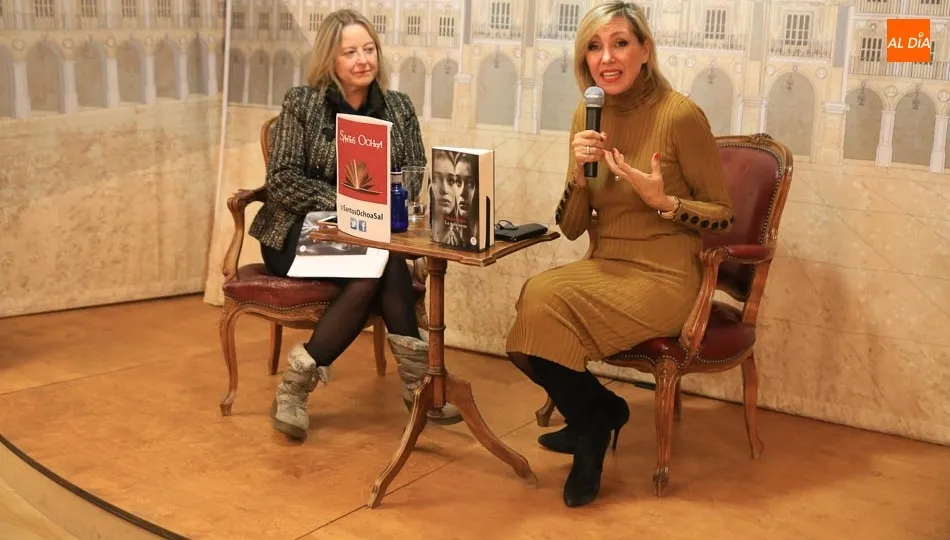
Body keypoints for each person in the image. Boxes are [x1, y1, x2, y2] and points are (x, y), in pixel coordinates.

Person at [505, 1, 734, 508]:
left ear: (645, 51)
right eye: (594, 46)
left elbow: (724, 214)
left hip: (668, 275)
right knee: (530, 313)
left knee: (541, 301)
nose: (606, 58)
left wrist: (666, 203)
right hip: (606, 264)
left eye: (620, 43)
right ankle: (596, 413)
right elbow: (568, 229)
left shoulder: (680, 115)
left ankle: (589, 432)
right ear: (583, 59)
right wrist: (576, 171)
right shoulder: (587, 115)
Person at [248, 9, 461, 442]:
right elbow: (283, 180)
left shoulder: (397, 106)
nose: (363, 60)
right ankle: (421, 387)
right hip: (294, 231)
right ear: (331, 59)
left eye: (369, 49)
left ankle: (295, 388)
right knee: (379, 266)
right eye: (350, 52)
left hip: (368, 234)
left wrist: (389, 193)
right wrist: (348, 200)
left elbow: (415, 169)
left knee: (373, 267)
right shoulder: (303, 102)